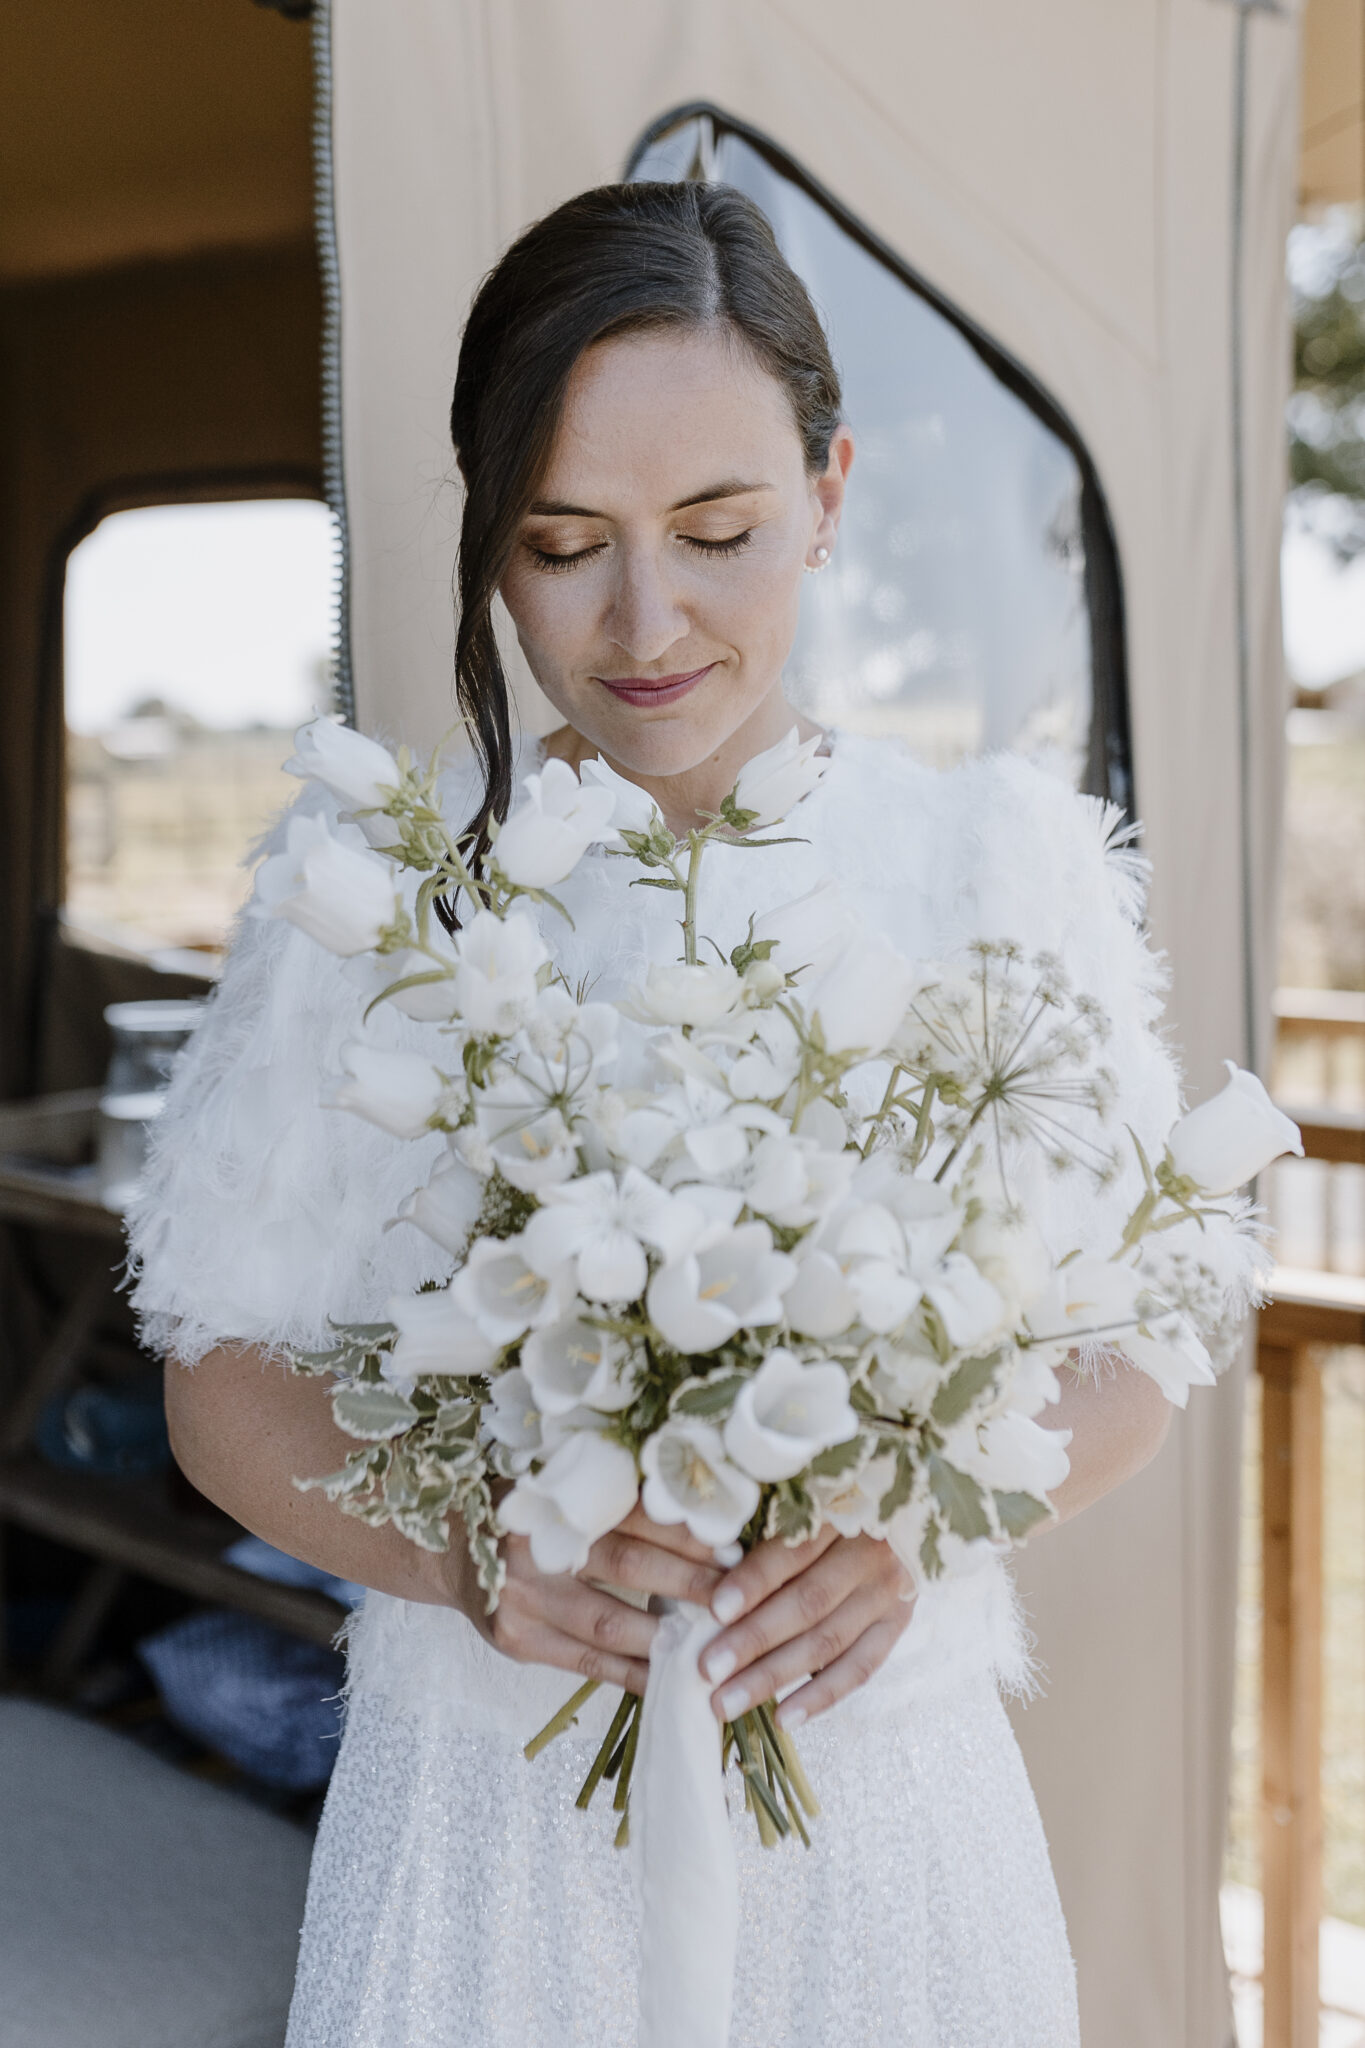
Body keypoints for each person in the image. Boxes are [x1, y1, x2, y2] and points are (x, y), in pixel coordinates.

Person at [126, 182, 1248, 2047]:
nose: (644, 623)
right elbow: (215, 1375)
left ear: (826, 493)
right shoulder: (376, 890)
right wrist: (469, 1547)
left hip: (885, 1820)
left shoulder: (991, 865)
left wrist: (914, 1524)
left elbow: (1145, 1326)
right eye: (563, 545)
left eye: (717, 531)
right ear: (487, 541)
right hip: (494, 1824)